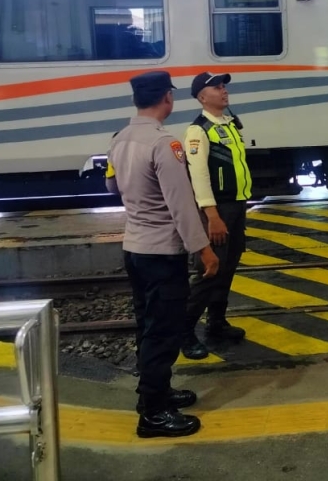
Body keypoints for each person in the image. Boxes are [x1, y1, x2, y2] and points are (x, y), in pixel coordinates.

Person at [105, 70, 219, 439]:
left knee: (148, 327)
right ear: (167, 98)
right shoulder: (163, 143)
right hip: (161, 254)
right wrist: (203, 249)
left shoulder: (120, 138)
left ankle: (156, 393)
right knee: (164, 332)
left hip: (135, 249)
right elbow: (181, 204)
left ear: (136, 99)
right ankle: (153, 414)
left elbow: (111, 186)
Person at [180, 72, 252, 360]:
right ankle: (184, 331)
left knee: (228, 266)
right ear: (202, 97)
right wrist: (212, 215)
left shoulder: (228, 124)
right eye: (217, 87)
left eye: (224, 86)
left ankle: (216, 322)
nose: (224, 90)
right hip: (218, 210)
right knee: (211, 270)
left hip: (235, 207)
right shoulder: (198, 131)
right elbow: (198, 176)